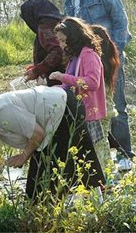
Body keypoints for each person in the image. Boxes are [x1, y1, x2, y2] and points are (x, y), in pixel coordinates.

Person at [0, 86, 105, 209]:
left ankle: (97, 208)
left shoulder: (0, 113)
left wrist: (24, 156)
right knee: (40, 187)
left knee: (45, 184)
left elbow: (37, 133)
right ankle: (93, 206)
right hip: (49, 122)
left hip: (63, 109)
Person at [51, 0, 134, 171]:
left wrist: (115, 52)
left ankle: (125, 154)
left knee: (116, 105)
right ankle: (98, 153)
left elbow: (120, 19)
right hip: (85, 59)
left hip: (107, 56)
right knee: (91, 105)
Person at [49, 17, 110, 172]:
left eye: (63, 41)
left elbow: (92, 82)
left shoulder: (89, 55)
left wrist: (62, 77)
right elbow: (68, 84)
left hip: (89, 112)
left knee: (94, 152)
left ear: (74, 38)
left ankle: (101, 182)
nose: (61, 45)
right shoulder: (74, 57)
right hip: (77, 111)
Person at [91, 24, 121, 170]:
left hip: (100, 109)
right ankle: (107, 172)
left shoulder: (97, 62)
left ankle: (104, 173)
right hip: (107, 108)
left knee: (100, 142)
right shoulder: (109, 60)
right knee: (103, 141)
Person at [20, 0, 64, 86]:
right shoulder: (59, 22)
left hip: (56, 76)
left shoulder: (45, 26)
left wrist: (36, 71)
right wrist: (38, 66)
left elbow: (57, 51)